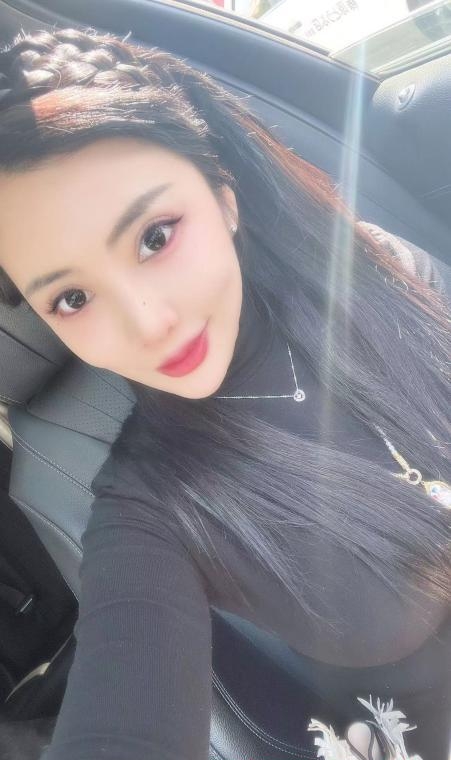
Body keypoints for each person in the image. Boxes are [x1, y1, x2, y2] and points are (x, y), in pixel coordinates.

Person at [0, 25, 449, 760]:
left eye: (155, 237)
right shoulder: (148, 508)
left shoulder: (378, 274)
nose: (149, 324)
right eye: (72, 299)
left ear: (224, 197)